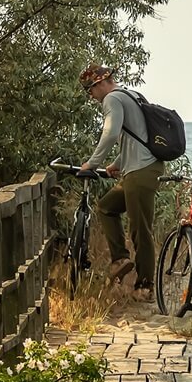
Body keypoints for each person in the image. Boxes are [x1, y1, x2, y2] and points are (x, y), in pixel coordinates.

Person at [78, 64, 164, 300]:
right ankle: (120, 260)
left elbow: (111, 133)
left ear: (100, 83)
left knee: (140, 227)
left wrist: (92, 163)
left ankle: (145, 286)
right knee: (106, 207)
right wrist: (119, 161)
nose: (91, 97)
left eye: (90, 90)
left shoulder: (112, 99)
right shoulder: (132, 94)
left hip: (142, 171)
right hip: (139, 167)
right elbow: (138, 137)